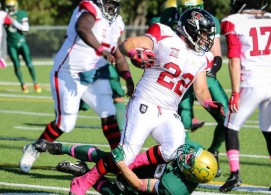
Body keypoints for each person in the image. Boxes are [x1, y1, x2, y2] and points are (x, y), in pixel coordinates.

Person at [68, 8, 225, 195]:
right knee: (125, 154)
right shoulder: (164, 34)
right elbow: (127, 43)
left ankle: (127, 170)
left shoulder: (203, 57)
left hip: (169, 111)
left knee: (173, 150)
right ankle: (82, 182)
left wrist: (208, 103)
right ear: (191, 29)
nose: (206, 39)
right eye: (204, 33)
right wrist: (135, 52)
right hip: (145, 102)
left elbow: (201, 90)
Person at [19, 0, 134, 174]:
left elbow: (117, 54)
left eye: (115, 4)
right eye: (109, 3)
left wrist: (128, 77)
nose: (112, 8)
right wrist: (101, 50)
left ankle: (120, 164)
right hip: (67, 73)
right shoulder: (89, 7)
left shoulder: (117, 23)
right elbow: (83, 28)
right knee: (65, 123)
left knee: (109, 115)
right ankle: (34, 148)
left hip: (94, 75)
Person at [219, 0, 271, 192]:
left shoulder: (234, 21)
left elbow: (234, 60)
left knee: (230, 125)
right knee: (269, 130)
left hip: (251, 83)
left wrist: (234, 92)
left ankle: (234, 175)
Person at [160, 0, 229, 177]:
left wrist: (209, 70)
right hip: (180, 73)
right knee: (183, 117)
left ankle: (214, 150)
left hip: (203, 72)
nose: (193, 14)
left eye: (196, 9)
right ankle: (184, 161)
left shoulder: (210, 19)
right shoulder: (168, 16)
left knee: (228, 117)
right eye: (188, 10)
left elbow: (217, 56)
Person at [34, 138, 218, 194]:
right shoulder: (196, 152)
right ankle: (57, 147)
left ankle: (83, 171)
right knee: (108, 159)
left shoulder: (175, 188)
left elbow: (138, 184)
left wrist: (121, 163)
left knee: (119, 191)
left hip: (147, 184)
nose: (186, 155)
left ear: (189, 175)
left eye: (189, 160)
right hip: (153, 165)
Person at [4, 0, 42, 93]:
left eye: (12, 6)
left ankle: (35, 82)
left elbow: (25, 28)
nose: (10, 8)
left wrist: (13, 21)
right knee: (16, 65)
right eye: (9, 6)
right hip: (11, 44)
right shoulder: (3, 15)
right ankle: (22, 84)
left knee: (29, 63)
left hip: (21, 42)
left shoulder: (21, 14)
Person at [0, 3, 12, 68]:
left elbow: (8, 22)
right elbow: (9, 22)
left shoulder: (2, 14)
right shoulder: (2, 14)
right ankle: (2, 62)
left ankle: (2, 63)